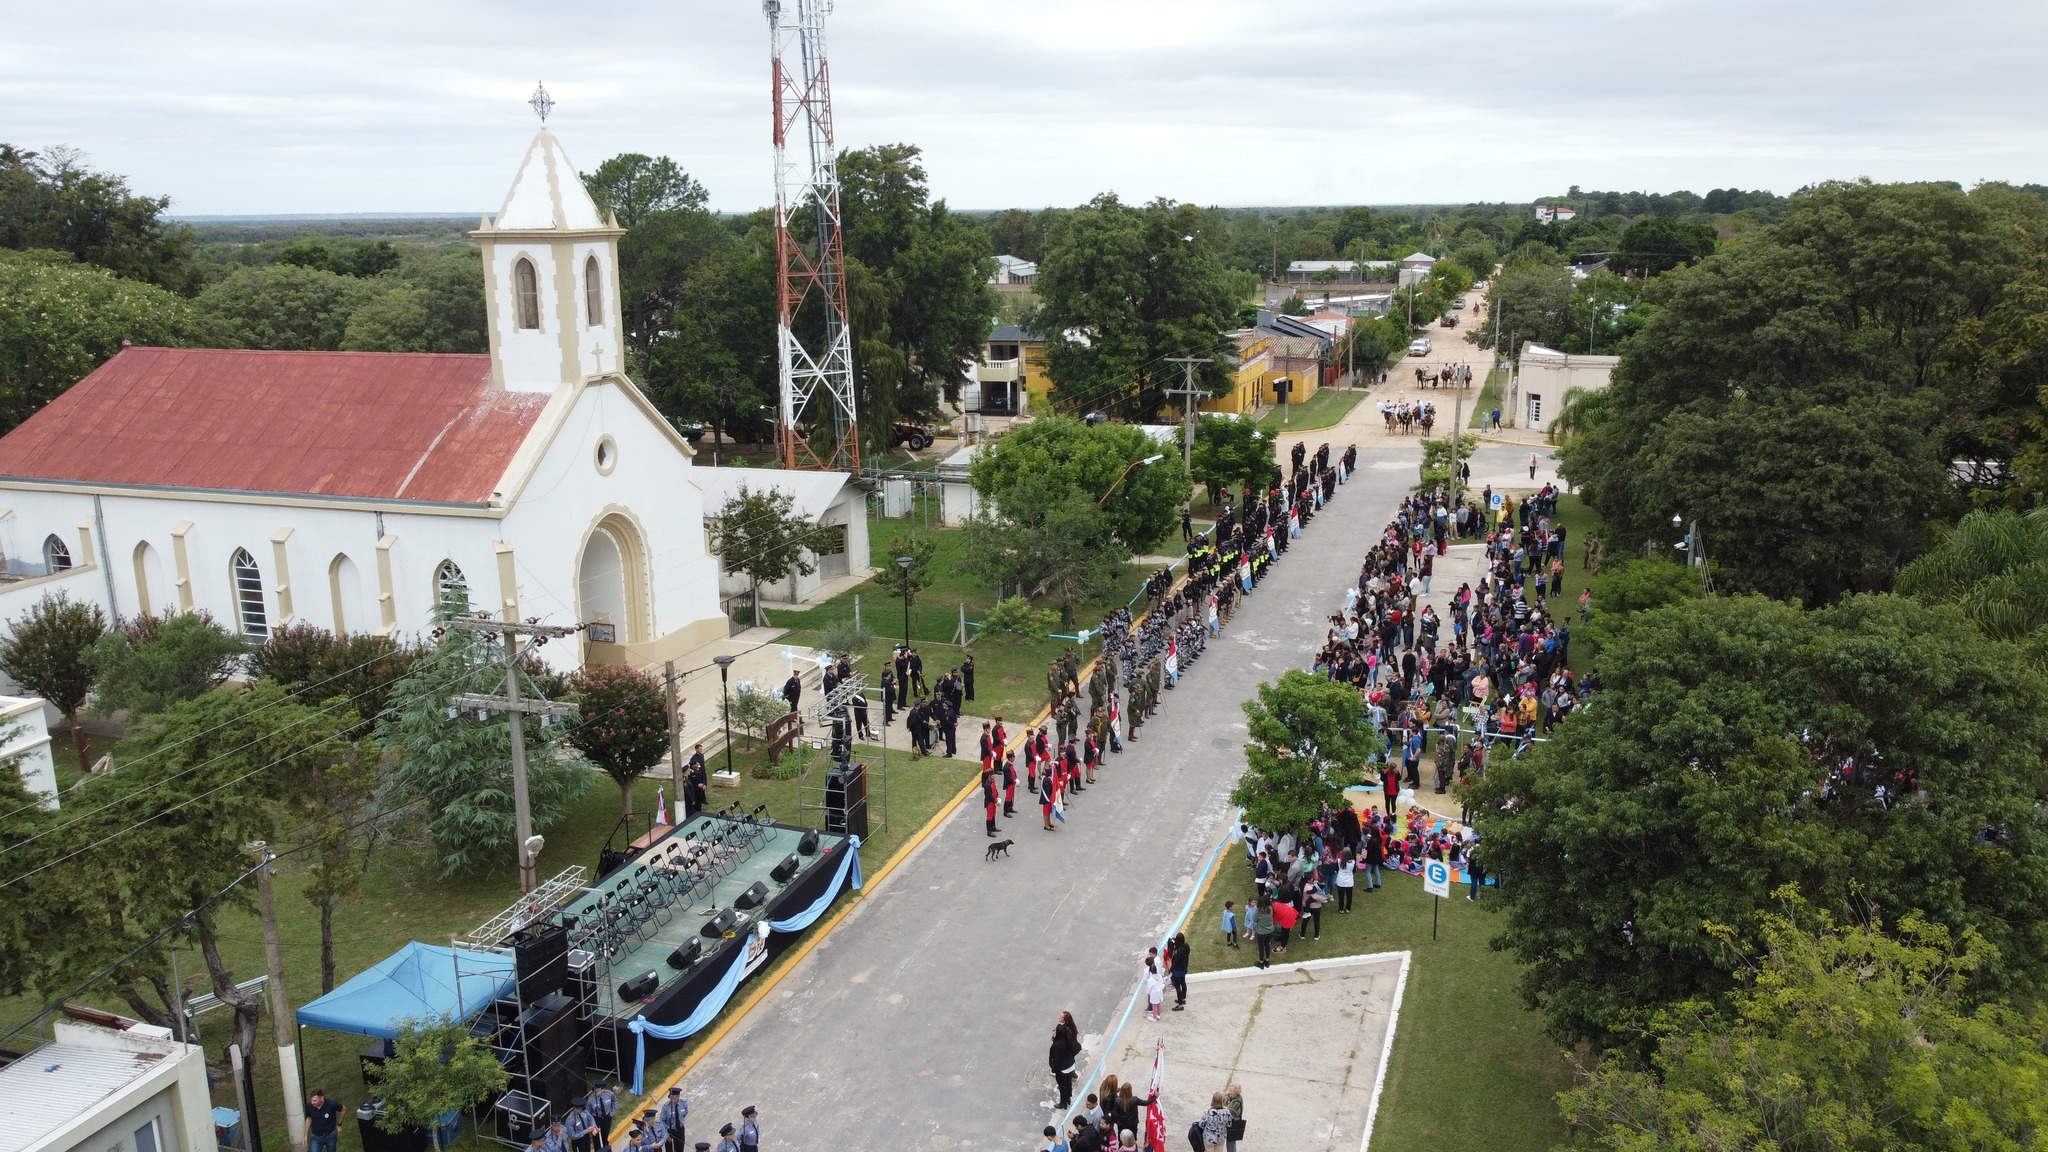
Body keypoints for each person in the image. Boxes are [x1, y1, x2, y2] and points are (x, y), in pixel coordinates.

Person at [1049, 1011, 1082, 1107]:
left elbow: (1056, 1059)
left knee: (1062, 1085)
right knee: (1068, 1081)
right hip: (1070, 1064)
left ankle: (1063, 1103)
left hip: (1062, 1068)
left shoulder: (1057, 1045)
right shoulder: (1069, 1037)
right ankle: (1069, 1097)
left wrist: (1053, 1070)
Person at [660, 1088, 689, 1152]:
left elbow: (685, 1113)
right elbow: (662, 1121)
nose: (672, 1100)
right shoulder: (666, 1107)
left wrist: (680, 1120)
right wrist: (666, 1134)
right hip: (669, 1130)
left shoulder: (683, 1104)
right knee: (669, 1149)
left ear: (678, 1097)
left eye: (673, 1098)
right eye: (671, 1098)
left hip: (680, 1129)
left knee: (680, 1148)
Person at [1168, 933, 1191, 1010]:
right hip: (1183, 969)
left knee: (1177, 987)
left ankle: (1180, 1004)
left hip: (1177, 970)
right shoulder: (1186, 947)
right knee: (1183, 983)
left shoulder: (1178, 951)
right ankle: (1183, 999)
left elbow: (1175, 962)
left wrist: (1171, 969)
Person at [1252, 898, 1275, 969]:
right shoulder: (1270, 908)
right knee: (1267, 944)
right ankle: (1267, 961)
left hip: (1261, 932)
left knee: (1261, 947)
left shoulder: (1258, 911)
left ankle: (1261, 962)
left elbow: (1254, 919)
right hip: (1270, 930)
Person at [1224, 1086, 1245, 1152]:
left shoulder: (1237, 1102)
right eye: (1230, 1090)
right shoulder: (1227, 1096)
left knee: (1230, 1143)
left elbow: (1230, 1113)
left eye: (1232, 1091)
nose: (1230, 1093)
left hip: (1233, 1124)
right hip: (1226, 1123)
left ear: (1237, 1093)